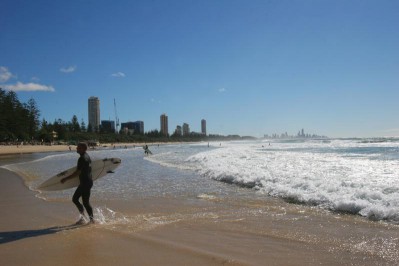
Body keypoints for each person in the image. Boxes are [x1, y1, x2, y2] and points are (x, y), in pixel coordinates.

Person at [61, 142, 94, 224]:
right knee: (85, 202)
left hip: (85, 183)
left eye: (78, 147)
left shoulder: (82, 158)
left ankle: (84, 218)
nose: (76, 148)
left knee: (75, 199)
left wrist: (66, 179)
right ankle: (91, 220)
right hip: (88, 181)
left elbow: (77, 172)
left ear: (83, 149)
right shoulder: (87, 156)